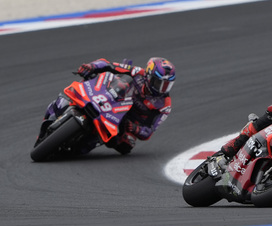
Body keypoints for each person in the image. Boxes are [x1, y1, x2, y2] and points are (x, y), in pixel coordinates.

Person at [37, 57, 175, 155]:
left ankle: (82, 145)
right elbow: (109, 64)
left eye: (167, 85)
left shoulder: (164, 105)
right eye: (159, 83)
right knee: (77, 88)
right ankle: (56, 113)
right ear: (148, 76)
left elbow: (149, 131)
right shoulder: (137, 72)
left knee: (126, 145)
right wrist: (91, 66)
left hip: (125, 122)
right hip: (110, 100)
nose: (163, 89)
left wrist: (135, 128)